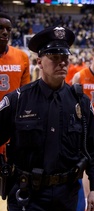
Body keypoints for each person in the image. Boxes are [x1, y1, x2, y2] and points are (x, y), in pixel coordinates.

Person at [0, 26, 94, 211]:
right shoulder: (18, 99)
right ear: (39, 61)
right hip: (26, 196)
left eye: (65, 58)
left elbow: (93, 148)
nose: (62, 63)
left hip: (66, 196)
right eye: (54, 57)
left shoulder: (81, 102)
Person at [0, 12, 30, 158]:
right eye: (0, 28)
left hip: (13, 121)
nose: (5, 32)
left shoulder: (22, 57)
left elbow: (26, 94)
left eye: (8, 29)